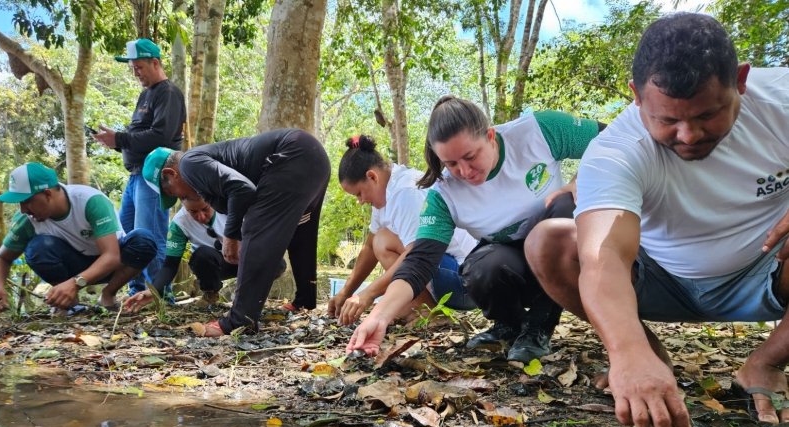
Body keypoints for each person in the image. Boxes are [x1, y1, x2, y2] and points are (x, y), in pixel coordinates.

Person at [524, 13, 789, 427]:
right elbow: (602, 257)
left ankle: (765, 363)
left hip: (763, 271)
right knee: (549, 242)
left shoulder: (781, 100)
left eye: (708, 114)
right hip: (661, 278)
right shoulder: (616, 150)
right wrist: (628, 354)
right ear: (635, 97)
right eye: (667, 120)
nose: (688, 134)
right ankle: (651, 356)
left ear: (740, 80)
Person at [347, 97, 602, 361]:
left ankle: (538, 327)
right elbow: (419, 261)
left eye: (471, 156)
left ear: (490, 136)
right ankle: (510, 326)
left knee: (564, 204)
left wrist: (579, 181)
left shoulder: (538, 131)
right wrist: (379, 317)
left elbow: (614, 139)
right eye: (451, 164)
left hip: (561, 251)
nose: (465, 172)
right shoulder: (443, 194)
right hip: (512, 262)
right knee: (480, 267)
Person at [141, 128, 330, 335]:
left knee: (254, 229)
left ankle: (238, 321)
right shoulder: (204, 164)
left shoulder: (189, 164)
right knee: (302, 231)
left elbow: (242, 189)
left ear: (171, 174)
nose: (179, 197)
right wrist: (154, 291)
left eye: (171, 192)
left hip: (290, 155)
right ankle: (305, 300)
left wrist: (231, 236)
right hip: (315, 157)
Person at [328, 135, 477, 325]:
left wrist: (368, 294)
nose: (360, 201)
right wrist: (346, 292)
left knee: (383, 241)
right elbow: (369, 249)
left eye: (359, 193)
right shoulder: (385, 190)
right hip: (442, 272)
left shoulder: (405, 192)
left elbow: (417, 254)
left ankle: (430, 313)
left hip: (463, 280)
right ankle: (420, 308)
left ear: (372, 177)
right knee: (378, 241)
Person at [0, 163, 157, 313]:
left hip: (114, 265)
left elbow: (111, 256)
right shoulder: (27, 220)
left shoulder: (89, 201)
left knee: (143, 240)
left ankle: (108, 294)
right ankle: (68, 303)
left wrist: (75, 284)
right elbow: (1, 258)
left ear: (47, 194)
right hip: (74, 265)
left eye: (26, 201)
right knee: (37, 248)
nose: (23, 209)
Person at [92, 38, 186, 295]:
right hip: (135, 176)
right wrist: (113, 142)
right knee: (130, 239)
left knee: (151, 236)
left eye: (139, 67)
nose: (135, 73)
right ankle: (135, 292)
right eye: (132, 67)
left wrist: (120, 139)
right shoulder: (146, 95)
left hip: (155, 177)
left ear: (155, 63)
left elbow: (162, 137)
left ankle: (158, 296)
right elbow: (140, 135)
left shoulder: (168, 93)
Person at [122, 191, 286, 311]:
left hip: (249, 258)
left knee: (276, 262)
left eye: (205, 209)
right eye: (193, 211)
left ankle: (250, 294)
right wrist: (153, 291)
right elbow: (170, 265)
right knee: (201, 255)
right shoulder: (180, 223)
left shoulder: (231, 207)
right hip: (217, 264)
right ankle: (210, 294)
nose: (201, 216)